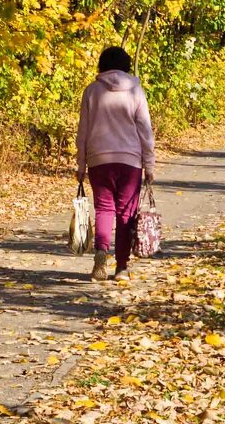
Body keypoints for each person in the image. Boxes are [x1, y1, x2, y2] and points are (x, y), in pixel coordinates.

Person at [75, 46, 156, 282]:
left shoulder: (91, 91)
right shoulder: (135, 90)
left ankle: (101, 252)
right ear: (126, 65)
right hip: (130, 161)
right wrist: (149, 164)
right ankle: (121, 267)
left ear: (102, 65)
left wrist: (81, 164)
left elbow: (83, 131)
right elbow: (145, 130)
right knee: (125, 214)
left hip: (99, 159)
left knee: (104, 208)